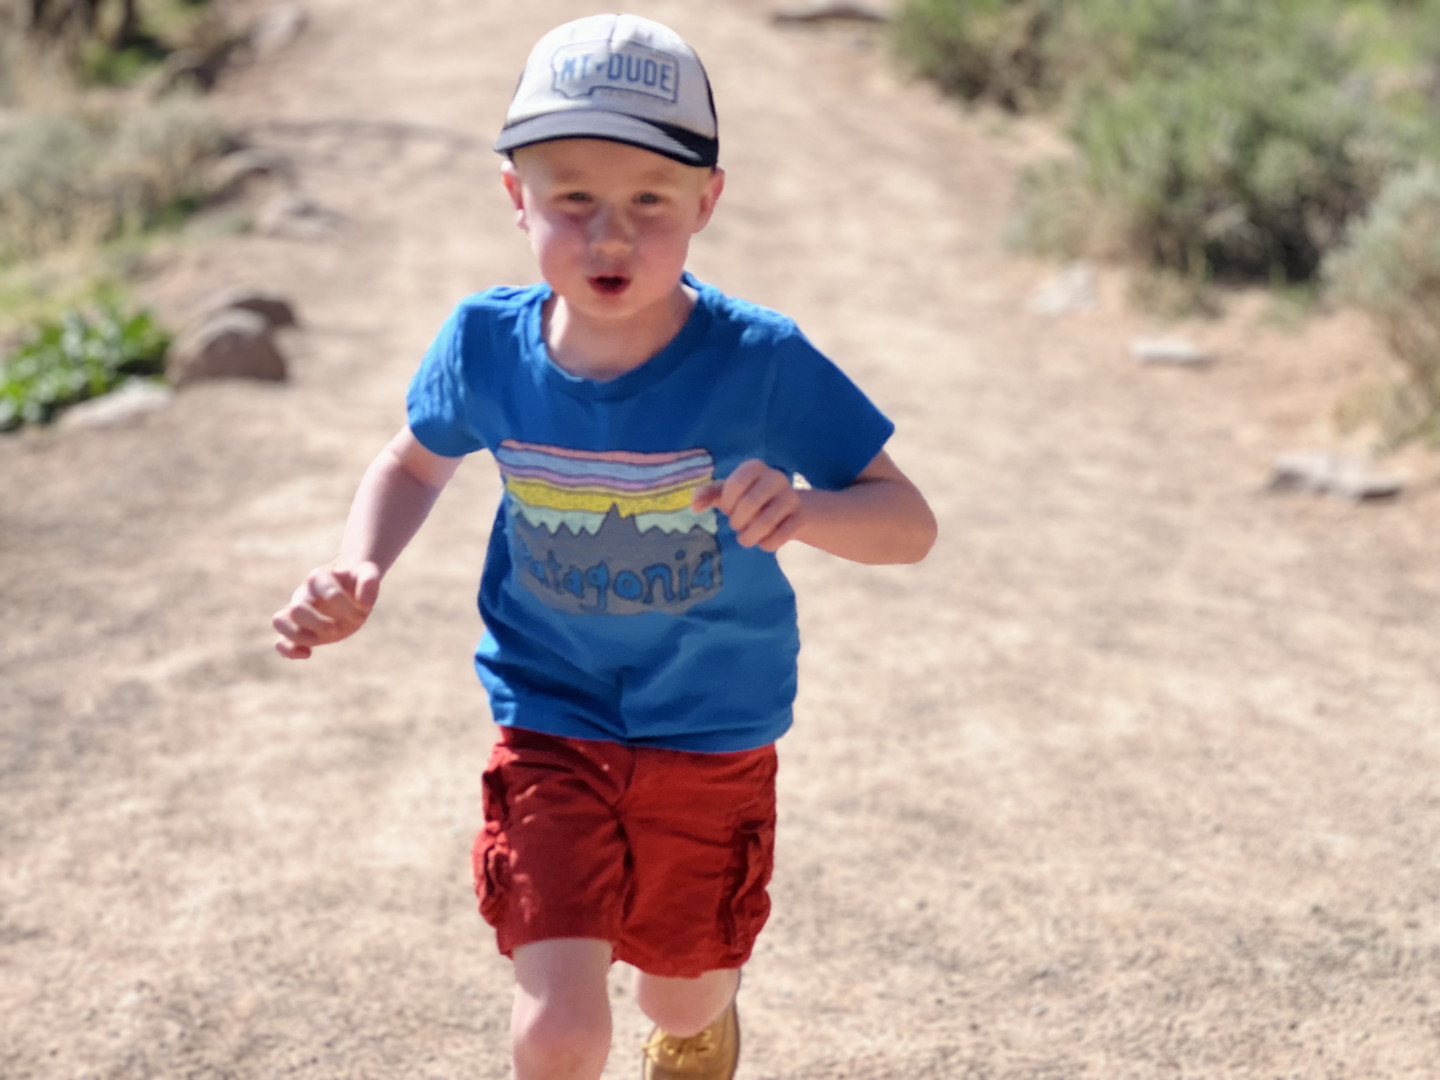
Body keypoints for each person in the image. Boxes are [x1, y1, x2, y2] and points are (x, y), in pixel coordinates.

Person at [271, 12, 937, 1080]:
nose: (610, 236)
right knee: (560, 1030)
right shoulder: (484, 346)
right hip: (551, 716)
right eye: (574, 197)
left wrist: (807, 512)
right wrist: (363, 564)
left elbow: (909, 523)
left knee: (682, 986)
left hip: (710, 729)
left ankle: (700, 1024)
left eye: (650, 201)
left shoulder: (760, 360)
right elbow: (412, 464)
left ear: (707, 202)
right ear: (516, 195)